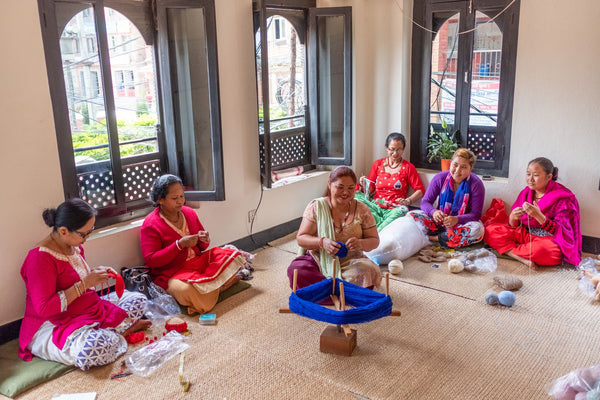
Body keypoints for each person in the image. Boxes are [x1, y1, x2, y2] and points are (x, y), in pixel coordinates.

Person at [19, 198, 150, 370]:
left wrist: (97, 274)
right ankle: (119, 330)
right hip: (52, 323)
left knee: (139, 300)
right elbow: (44, 308)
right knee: (93, 348)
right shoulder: (40, 258)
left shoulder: (74, 246)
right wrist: (84, 284)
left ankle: (113, 331)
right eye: (84, 233)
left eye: (91, 230)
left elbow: (75, 278)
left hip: (84, 310)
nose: (87, 238)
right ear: (64, 231)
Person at [140, 174, 246, 315]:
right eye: (174, 198)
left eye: (181, 196)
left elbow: (203, 247)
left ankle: (212, 289)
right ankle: (220, 287)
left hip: (197, 262)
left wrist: (204, 239)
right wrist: (179, 245)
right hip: (173, 273)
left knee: (233, 256)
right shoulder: (150, 225)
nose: (180, 201)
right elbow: (151, 260)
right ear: (160, 200)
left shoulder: (189, 213)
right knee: (187, 291)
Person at [287, 166, 381, 290]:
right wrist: (322, 242)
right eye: (340, 187)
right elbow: (301, 238)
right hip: (320, 260)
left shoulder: (362, 209)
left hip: (351, 261)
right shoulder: (317, 207)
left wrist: (360, 243)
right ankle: (340, 290)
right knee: (297, 270)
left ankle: (325, 290)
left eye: (351, 188)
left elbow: (374, 241)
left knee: (370, 270)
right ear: (330, 185)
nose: (345, 192)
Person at [484, 157, 581, 269]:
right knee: (490, 230)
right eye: (528, 174)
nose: (530, 179)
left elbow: (564, 234)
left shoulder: (564, 198)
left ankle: (510, 250)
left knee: (545, 251)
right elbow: (514, 226)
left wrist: (539, 217)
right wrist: (512, 217)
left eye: (535, 175)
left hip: (549, 240)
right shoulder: (526, 193)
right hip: (526, 234)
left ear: (549, 177)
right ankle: (518, 256)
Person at [409, 148, 485, 248]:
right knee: (411, 215)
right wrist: (434, 212)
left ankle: (433, 238)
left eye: (463, 167)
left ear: (470, 169)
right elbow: (425, 202)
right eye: (455, 165)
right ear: (450, 164)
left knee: (478, 230)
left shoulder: (476, 184)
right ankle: (448, 238)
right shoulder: (440, 178)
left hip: (461, 224)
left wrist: (456, 219)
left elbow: (475, 214)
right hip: (439, 221)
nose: (458, 170)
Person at [357, 133, 426, 230]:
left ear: (403, 149)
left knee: (401, 211)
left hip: (395, 209)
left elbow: (420, 190)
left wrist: (408, 201)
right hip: (375, 205)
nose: (395, 153)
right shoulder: (378, 164)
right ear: (386, 148)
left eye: (399, 150)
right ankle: (376, 226)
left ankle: (376, 232)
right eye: (392, 149)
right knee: (356, 197)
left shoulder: (408, 167)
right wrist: (363, 183)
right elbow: (370, 188)